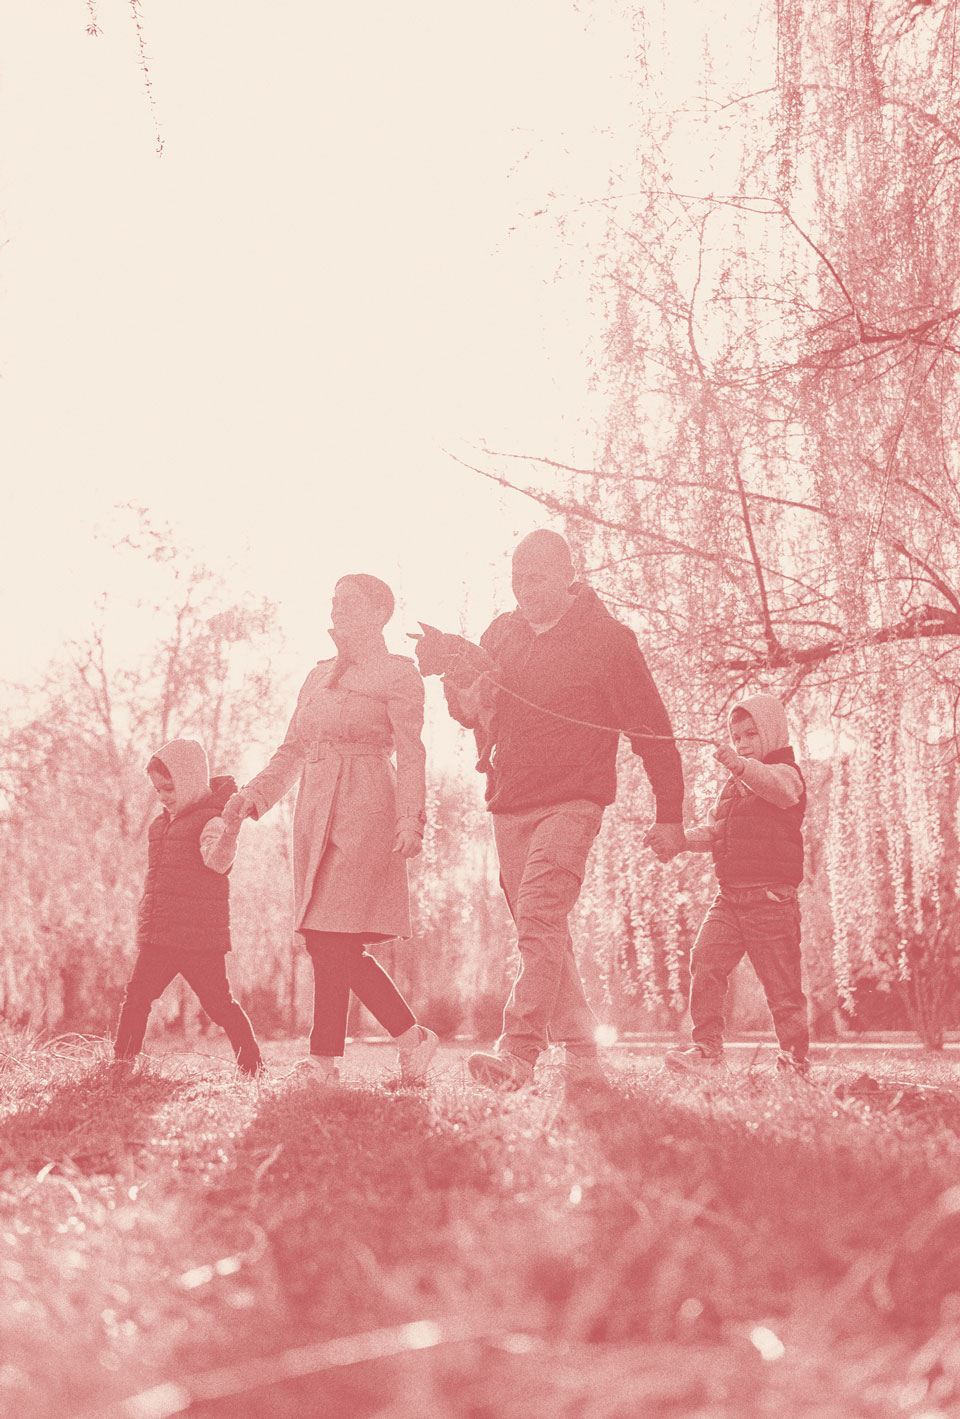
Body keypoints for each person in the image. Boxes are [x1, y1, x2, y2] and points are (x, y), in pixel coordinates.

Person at [444, 529, 685, 1090]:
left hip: (573, 801)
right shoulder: (501, 634)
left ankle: (518, 1054)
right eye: (517, 579)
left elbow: (652, 729)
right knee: (545, 931)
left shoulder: (609, 640)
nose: (525, 590)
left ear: (568, 576)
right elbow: (473, 712)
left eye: (537, 579)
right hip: (510, 804)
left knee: (538, 916)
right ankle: (582, 1055)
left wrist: (670, 813)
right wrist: (462, 690)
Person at [225, 574, 438, 1086]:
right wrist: (255, 795)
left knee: (332, 937)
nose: (337, 609)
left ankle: (322, 1063)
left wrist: (410, 819)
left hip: (367, 808)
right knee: (327, 941)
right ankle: (412, 1039)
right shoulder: (316, 676)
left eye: (350, 602)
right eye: (335, 601)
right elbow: (292, 750)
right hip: (314, 812)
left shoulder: (398, 675)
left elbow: (411, 753)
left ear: (380, 612)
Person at [663, 693, 809, 1078]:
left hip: (770, 899)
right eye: (736, 736)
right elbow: (715, 831)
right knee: (705, 961)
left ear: (772, 733)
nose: (742, 743)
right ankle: (707, 1050)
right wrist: (680, 841)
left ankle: (794, 1062)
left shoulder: (787, 774)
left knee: (782, 989)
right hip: (729, 899)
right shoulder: (731, 787)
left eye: (751, 734)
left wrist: (741, 766)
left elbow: (777, 790)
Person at [113, 738, 263, 1077]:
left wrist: (230, 832)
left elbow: (218, 862)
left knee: (220, 1006)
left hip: (199, 939)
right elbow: (157, 880)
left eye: (169, 788)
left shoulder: (212, 820)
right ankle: (121, 1064)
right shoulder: (160, 826)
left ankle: (253, 1068)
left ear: (190, 781)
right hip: (162, 934)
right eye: (158, 790)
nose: (163, 797)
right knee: (137, 996)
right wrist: (147, 917)